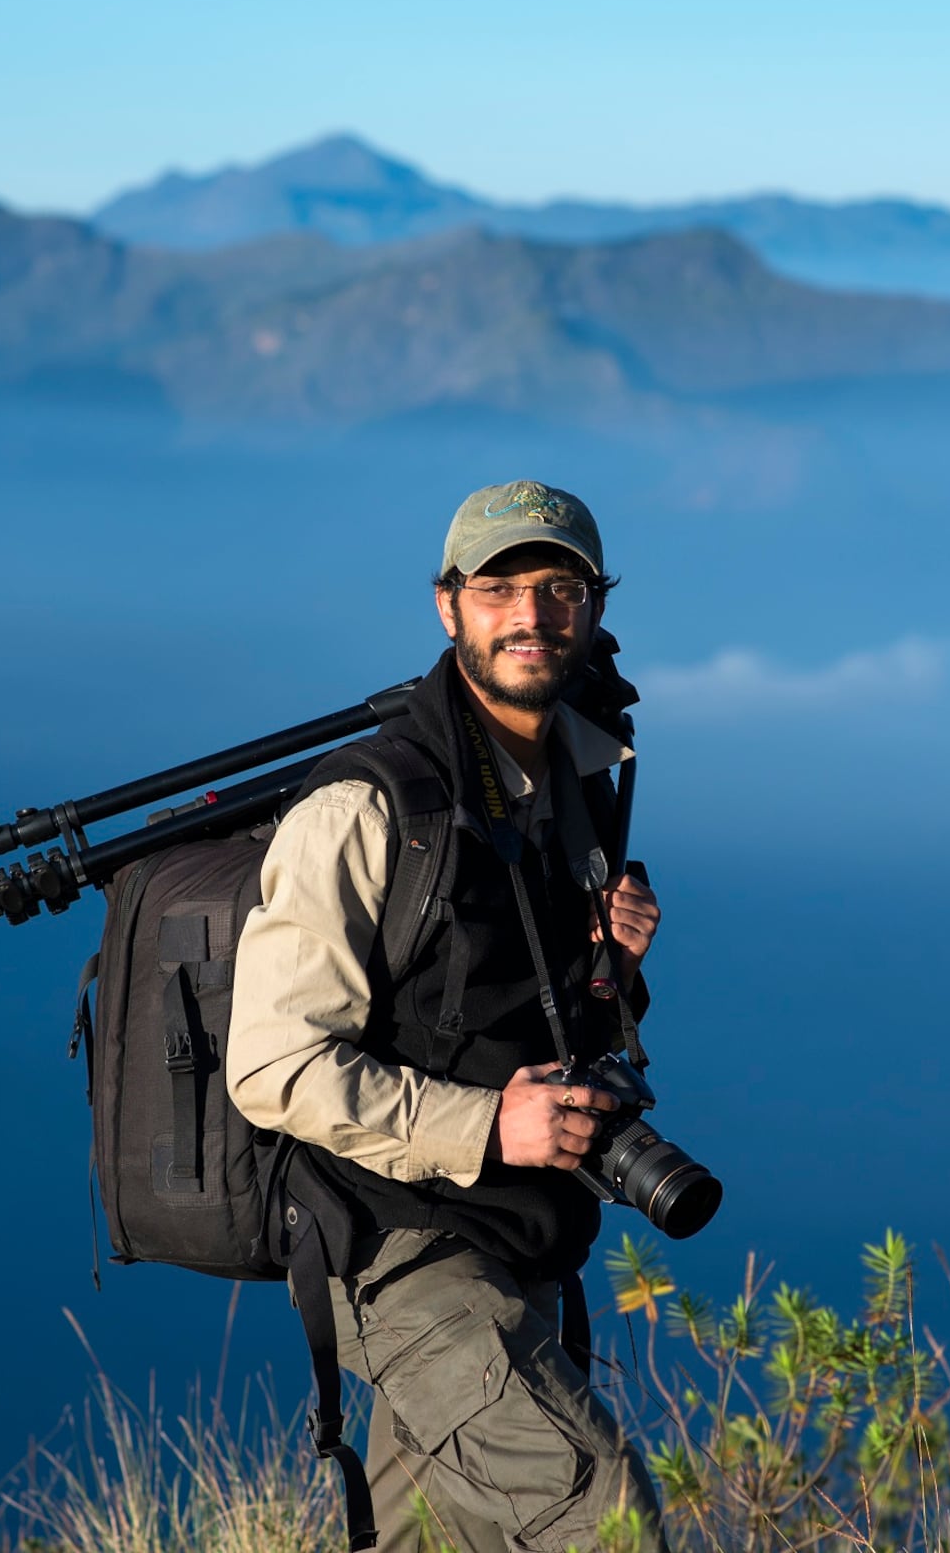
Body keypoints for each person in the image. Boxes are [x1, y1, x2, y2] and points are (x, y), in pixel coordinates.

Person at [227, 480, 669, 1552]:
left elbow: (502, 1005)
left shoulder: (566, 773)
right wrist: (488, 1127)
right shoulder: (369, 806)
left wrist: (612, 967)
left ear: (595, 606)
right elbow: (272, 1063)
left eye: (558, 588)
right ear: (447, 605)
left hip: (510, 1239)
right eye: (498, 588)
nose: (530, 614)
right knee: (601, 1519)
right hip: (396, 1243)